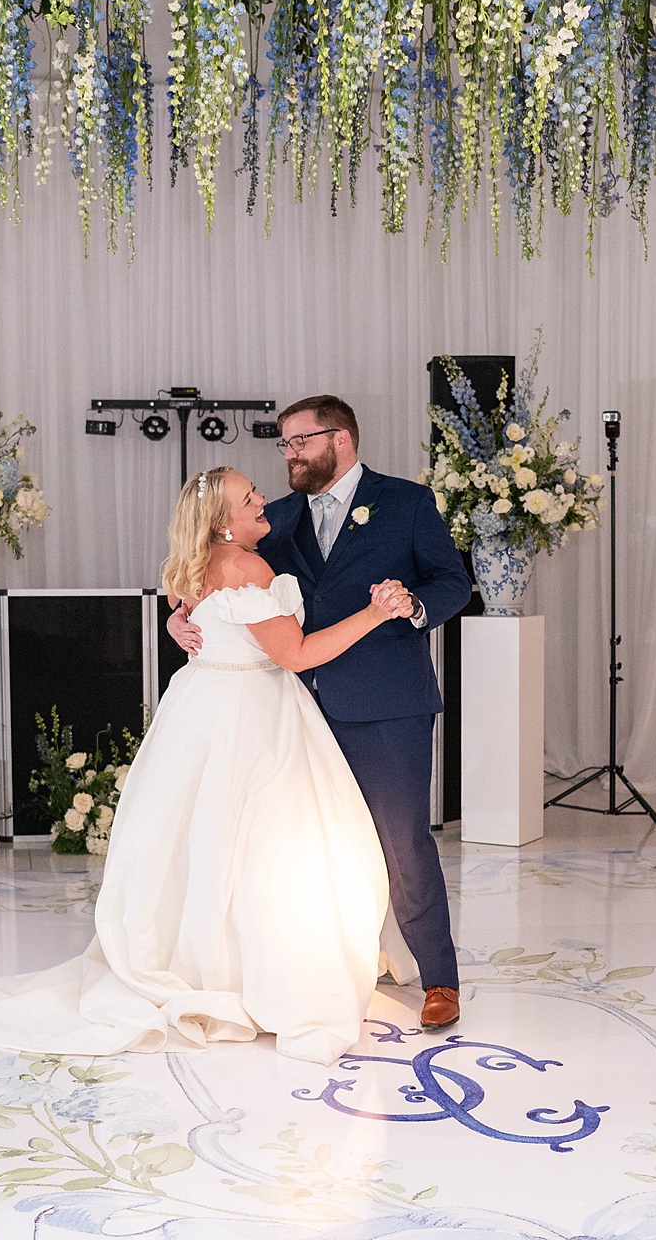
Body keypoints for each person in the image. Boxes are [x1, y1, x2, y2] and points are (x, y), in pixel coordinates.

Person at [0, 466, 419, 1066]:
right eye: (249, 498)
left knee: (201, 841)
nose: (262, 499)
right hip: (252, 715)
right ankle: (257, 976)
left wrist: (176, 621)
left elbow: (185, 608)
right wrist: (375, 614)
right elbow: (296, 656)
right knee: (267, 846)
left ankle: (196, 961)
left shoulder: (190, 565)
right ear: (223, 523)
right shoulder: (248, 569)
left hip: (199, 707)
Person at [170, 395, 472, 1031]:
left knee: (404, 842)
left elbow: (452, 581)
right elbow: (210, 573)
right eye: (283, 444)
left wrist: (414, 605)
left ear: (342, 439)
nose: (289, 454)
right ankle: (342, 961)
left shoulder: (408, 503)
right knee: (318, 846)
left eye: (300, 441)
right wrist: (179, 617)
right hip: (294, 710)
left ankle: (439, 977)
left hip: (387, 705)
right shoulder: (273, 519)